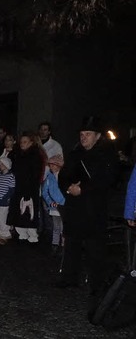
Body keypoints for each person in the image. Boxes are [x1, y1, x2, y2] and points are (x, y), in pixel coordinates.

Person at [57, 117, 119, 302]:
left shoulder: (107, 155)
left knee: (95, 249)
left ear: (97, 136)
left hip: (94, 208)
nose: (83, 138)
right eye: (82, 135)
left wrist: (82, 189)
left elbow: (107, 180)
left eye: (88, 135)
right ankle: (69, 278)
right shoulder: (75, 153)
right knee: (72, 245)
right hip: (75, 207)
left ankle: (97, 285)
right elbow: (64, 175)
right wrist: (68, 187)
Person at [6, 131, 45, 244]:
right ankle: (21, 232)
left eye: (25, 142)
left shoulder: (35, 155)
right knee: (19, 211)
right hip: (18, 187)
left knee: (29, 211)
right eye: (21, 142)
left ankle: (33, 235)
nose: (22, 144)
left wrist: (28, 192)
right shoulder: (18, 154)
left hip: (30, 188)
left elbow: (35, 175)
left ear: (31, 143)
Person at [42, 154, 66, 256]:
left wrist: (62, 201)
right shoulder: (49, 177)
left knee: (63, 226)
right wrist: (50, 201)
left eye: (53, 165)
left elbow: (66, 191)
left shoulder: (64, 177)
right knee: (56, 226)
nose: (51, 167)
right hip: (53, 206)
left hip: (63, 205)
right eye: (50, 165)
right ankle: (55, 244)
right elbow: (44, 192)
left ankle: (63, 245)